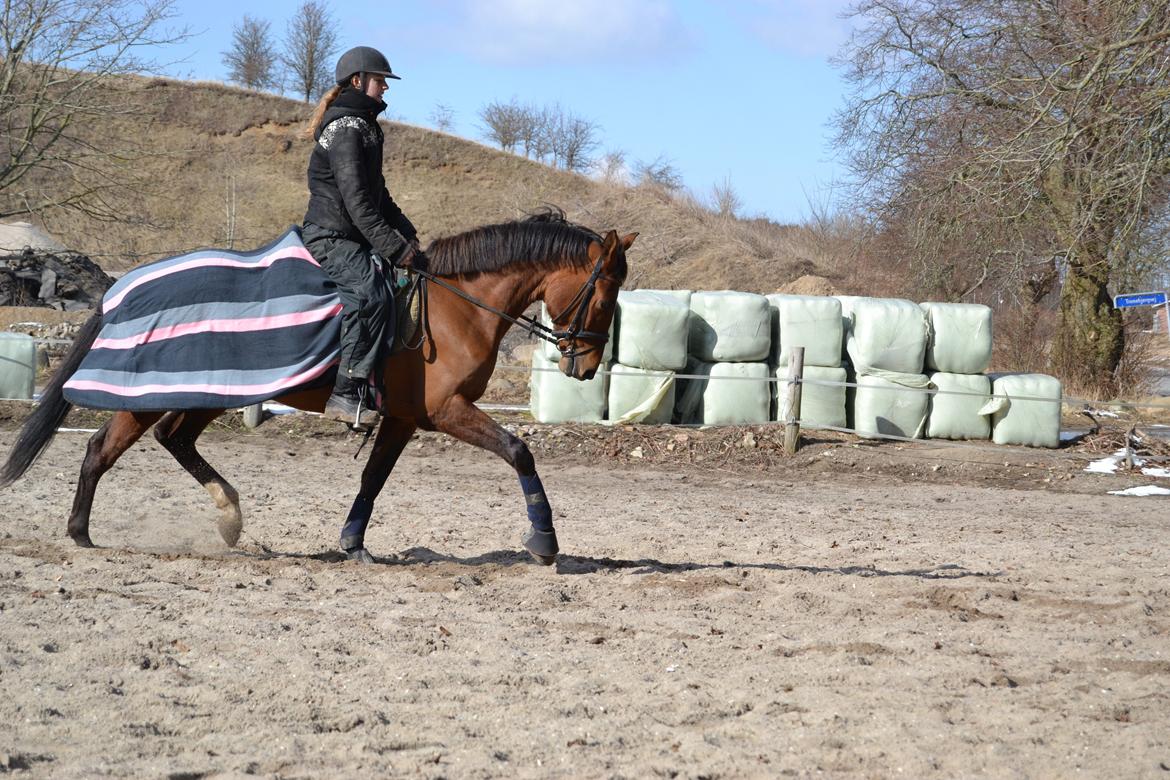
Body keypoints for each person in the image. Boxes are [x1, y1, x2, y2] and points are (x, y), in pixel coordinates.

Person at [301, 45, 422, 429]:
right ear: (358, 81)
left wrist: (409, 238)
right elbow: (357, 204)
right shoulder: (346, 130)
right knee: (369, 294)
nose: (386, 87)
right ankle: (345, 392)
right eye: (380, 79)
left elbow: (379, 195)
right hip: (330, 236)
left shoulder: (366, 126)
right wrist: (392, 248)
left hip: (353, 235)